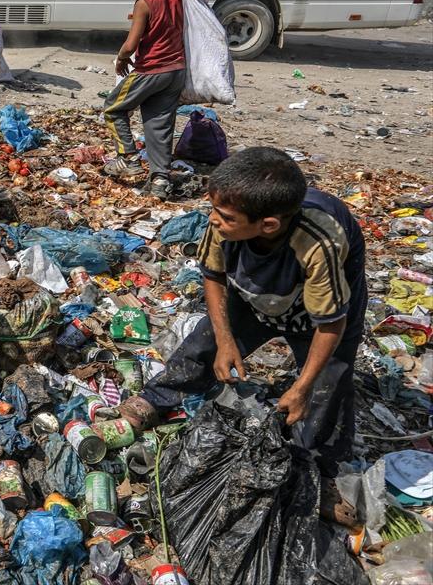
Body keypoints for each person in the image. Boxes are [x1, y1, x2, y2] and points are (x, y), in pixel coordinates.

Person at [119, 147, 364, 518]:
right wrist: (227, 342)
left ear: (267, 224)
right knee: (204, 342)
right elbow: (213, 276)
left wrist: (301, 387)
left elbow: (330, 323)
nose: (214, 220)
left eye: (225, 216)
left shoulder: (319, 243)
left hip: (318, 315)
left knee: (327, 388)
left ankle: (316, 472)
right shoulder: (226, 220)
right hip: (253, 297)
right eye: (214, 209)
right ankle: (156, 399)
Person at [101, 0, 185, 200]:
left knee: (113, 107)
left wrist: (121, 59)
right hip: (176, 71)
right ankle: (160, 179)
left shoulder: (145, 2)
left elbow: (131, 44)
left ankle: (128, 157)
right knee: (158, 124)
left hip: (152, 69)